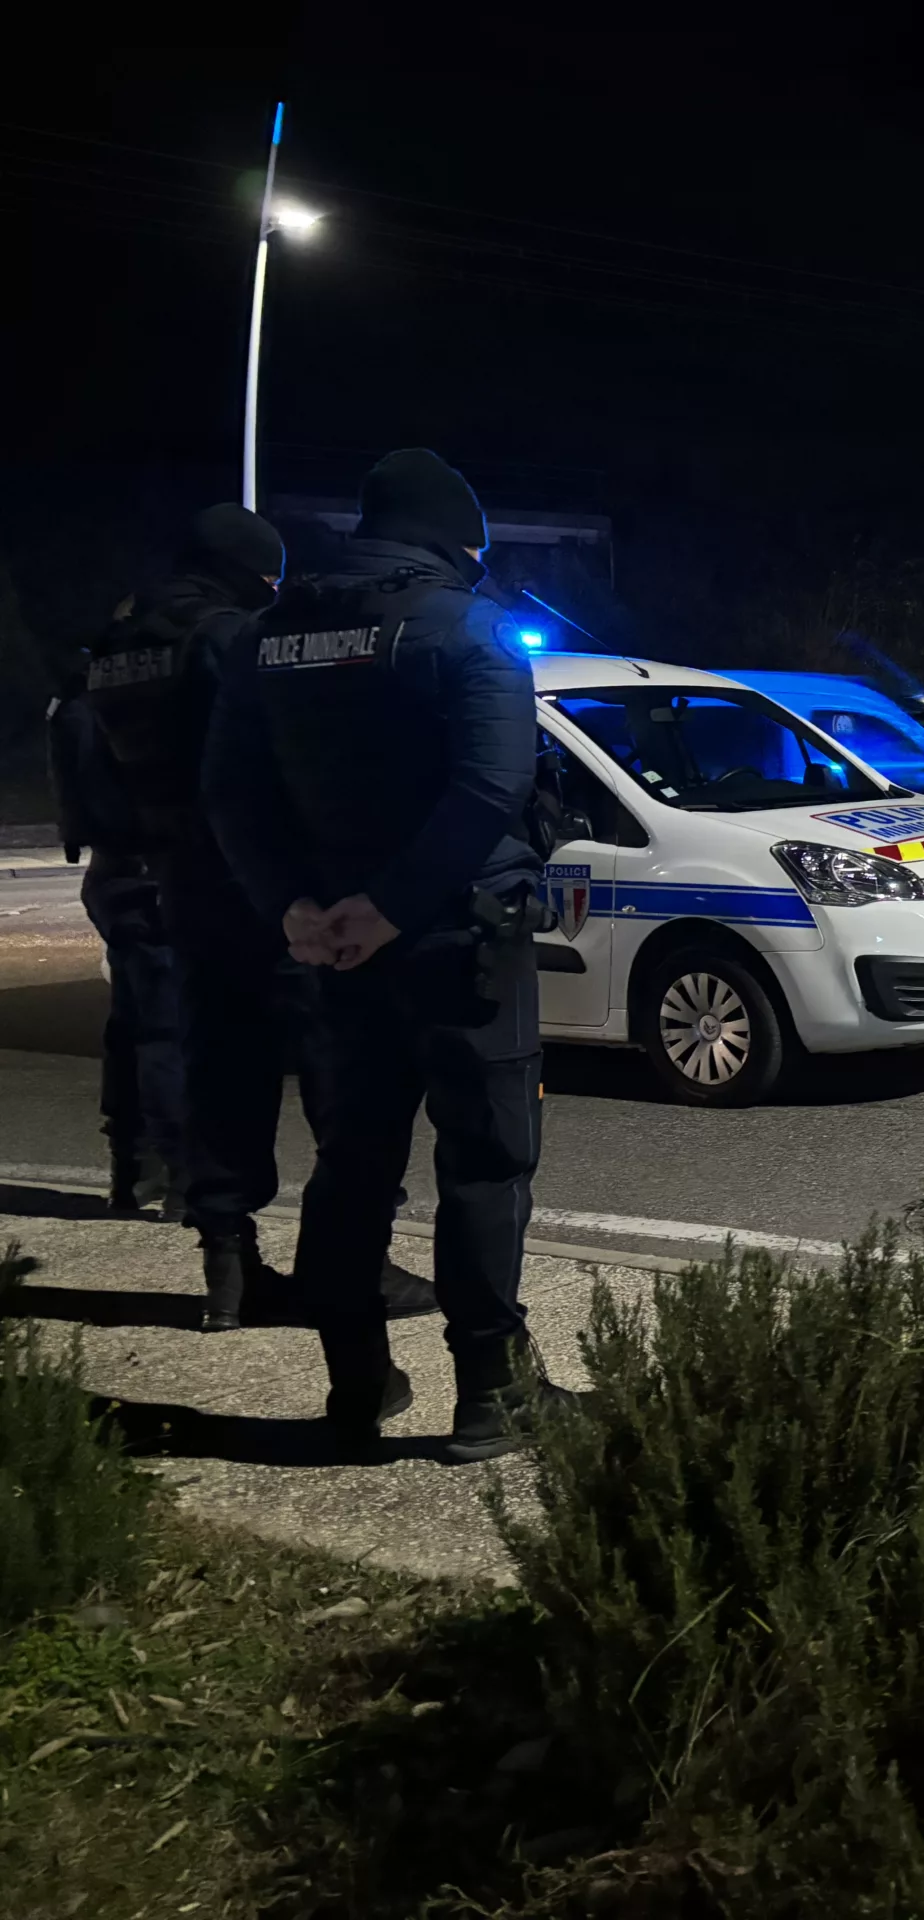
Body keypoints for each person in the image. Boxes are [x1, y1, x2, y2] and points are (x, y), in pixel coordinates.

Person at [206, 449, 562, 1460]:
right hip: (458, 941)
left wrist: (298, 910)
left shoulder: (267, 637)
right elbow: (491, 788)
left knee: (351, 1168)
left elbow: (231, 795)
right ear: (462, 538)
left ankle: (355, 1388)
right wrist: (393, 908)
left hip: (332, 954)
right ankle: (493, 1395)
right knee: (485, 1170)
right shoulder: (468, 629)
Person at [82, 506, 435, 1331]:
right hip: (265, 883)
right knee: (335, 1068)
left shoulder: (116, 648)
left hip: (177, 883)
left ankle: (228, 1271)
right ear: (249, 568)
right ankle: (353, 1264)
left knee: (221, 1072)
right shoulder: (229, 638)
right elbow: (273, 752)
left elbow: (93, 771)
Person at [48, 643, 187, 1211]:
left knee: (136, 1026)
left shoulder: (95, 672)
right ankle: (182, 1175)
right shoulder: (181, 659)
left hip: (117, 870)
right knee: (170, 1030)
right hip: (157, 872)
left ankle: (136, 1168)